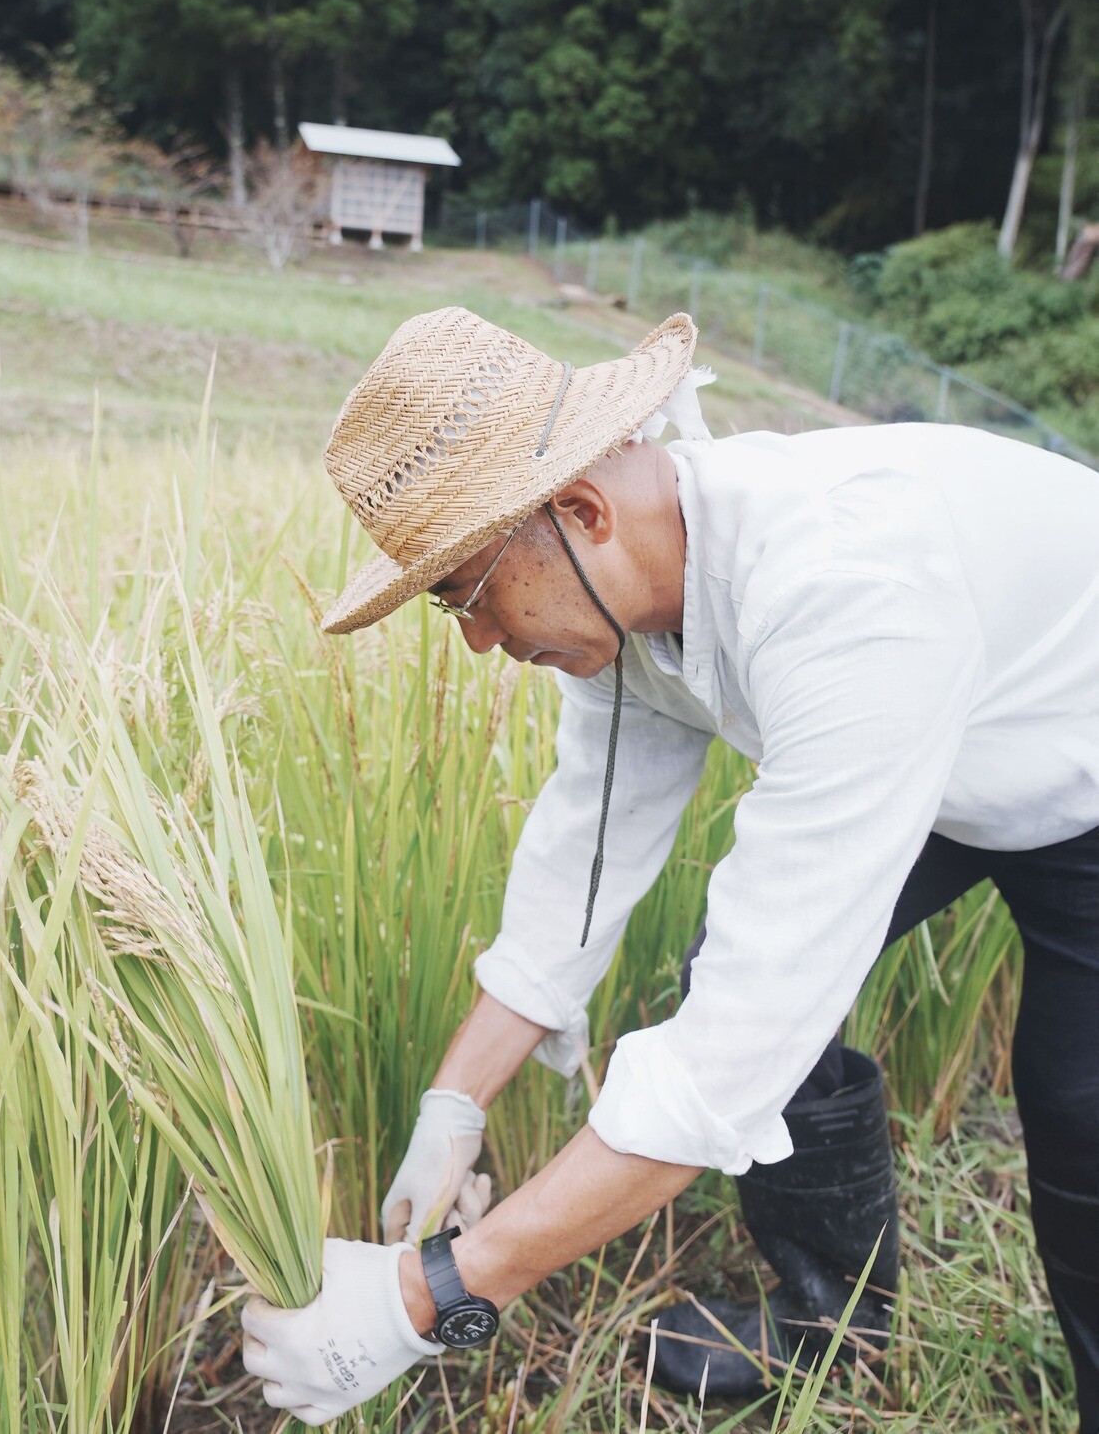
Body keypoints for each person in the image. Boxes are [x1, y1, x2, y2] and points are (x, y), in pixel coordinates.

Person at [238, 307, 1099, 1427]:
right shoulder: (626, 606)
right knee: (718, 967)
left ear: (582, 511)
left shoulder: (849, 594)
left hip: (1079, 756)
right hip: (944, 755)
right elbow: (583, 853)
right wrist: (456, 1096)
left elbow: (729, 1056)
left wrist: (424, 1297)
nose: (477, 642)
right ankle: (828, 1320)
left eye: (464, 591)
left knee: (1077, 1096)